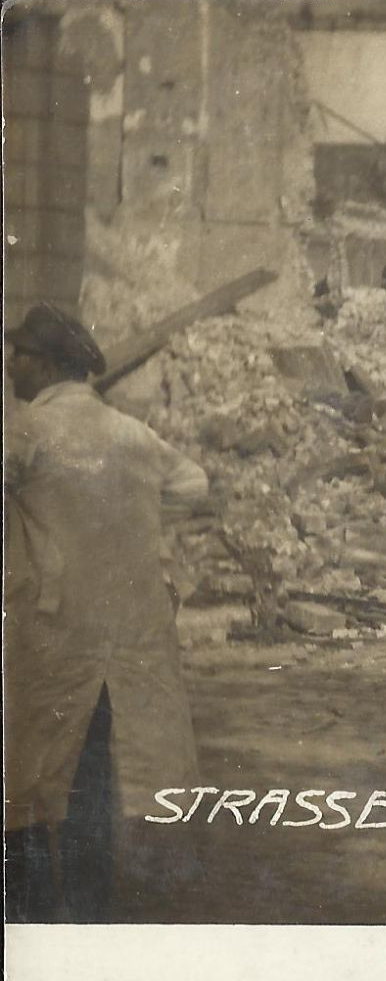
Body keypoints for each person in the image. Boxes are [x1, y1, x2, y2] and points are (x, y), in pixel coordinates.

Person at [4, 303, 210, 921]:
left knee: (28, 774)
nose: (11, 364)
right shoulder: (130, 434)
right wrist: (130, 522)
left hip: (51, 637)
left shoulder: (26, 432)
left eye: (20, 354)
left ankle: (31, 918)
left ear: (46, 366)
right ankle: (89, 914)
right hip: (117, 643)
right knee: (90, 774)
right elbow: (193, 486)